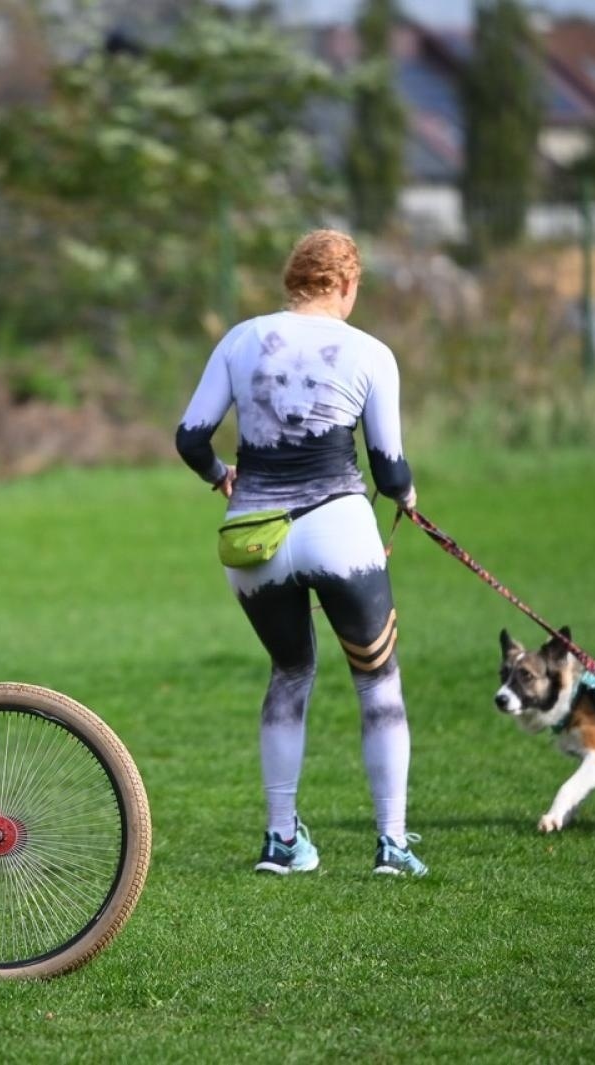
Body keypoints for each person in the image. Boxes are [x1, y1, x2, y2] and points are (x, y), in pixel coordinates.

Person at [175, 228, 428, 878]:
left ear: (294, 281)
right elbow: (390, 468)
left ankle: (281, 839)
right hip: (339, 527)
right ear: (346, 285)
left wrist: (219, 476)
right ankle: (392, 845)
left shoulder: (240, 339)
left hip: (254, 537)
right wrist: (404, 494)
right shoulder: (370, 351)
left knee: (291, 672)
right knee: (377, 679)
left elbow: (190, 436)